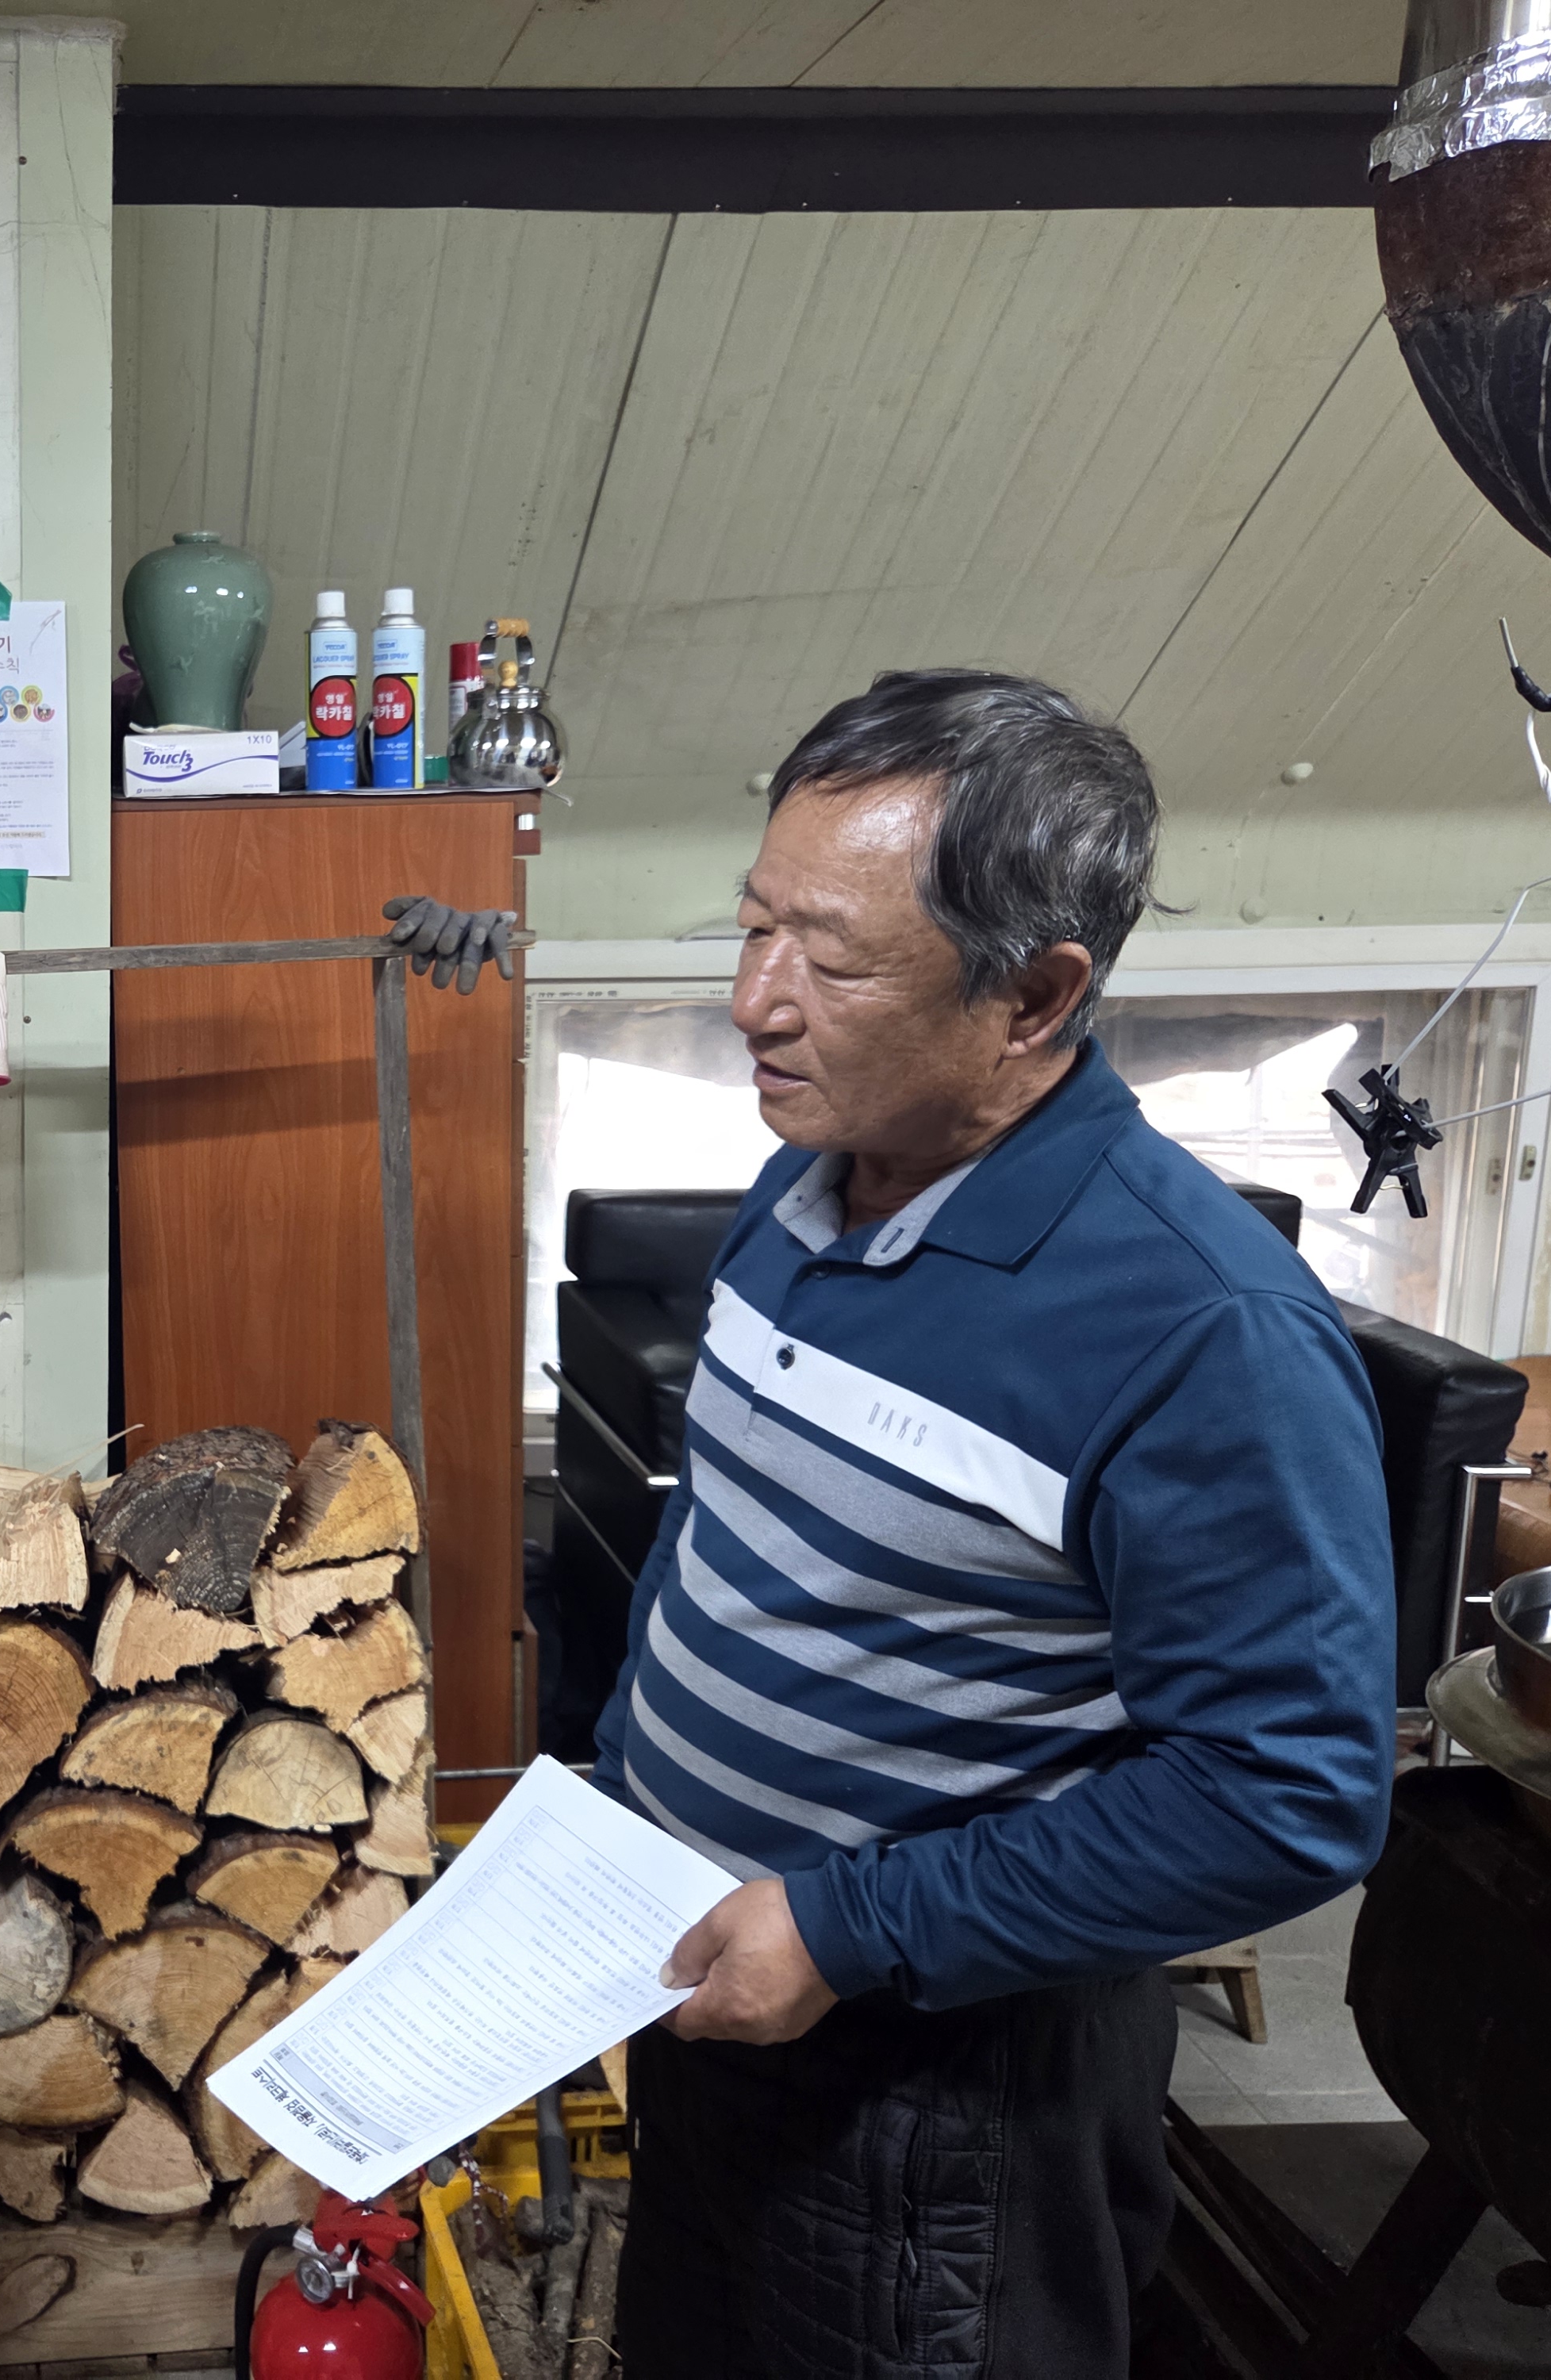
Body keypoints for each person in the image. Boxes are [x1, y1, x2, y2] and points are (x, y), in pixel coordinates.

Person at [593, 670, 1396, 2376]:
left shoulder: (1204, 1330)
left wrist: (847, 1929)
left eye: (831, 960)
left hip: (935, 2104)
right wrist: (623, 1803)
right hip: (708, 1992)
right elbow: (723, 1545)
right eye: (751, 926)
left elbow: (1287, 1795)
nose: (752, 1000)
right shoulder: (807, 1181)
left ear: (1034, 996)